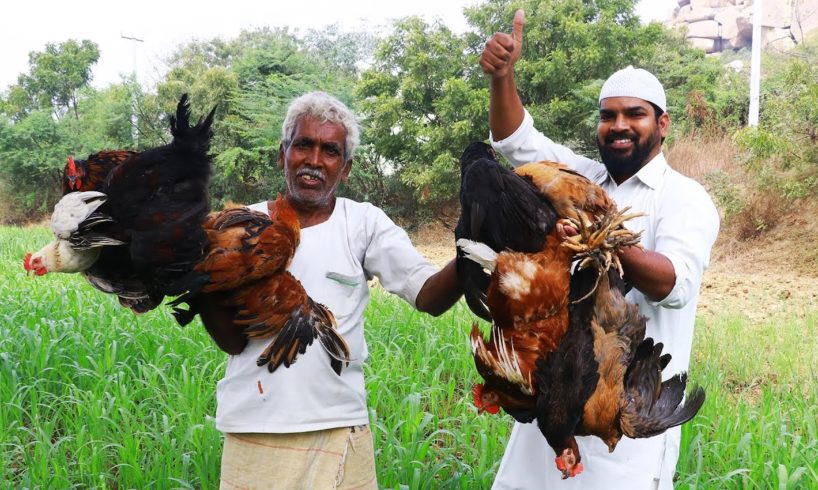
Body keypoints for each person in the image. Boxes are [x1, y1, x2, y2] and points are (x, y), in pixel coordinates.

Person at [479, 10, 720, 490]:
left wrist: (600, 240)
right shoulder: (582, 178)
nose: (619, 125)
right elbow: (514, 140)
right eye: (608, 115)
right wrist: (503, 77)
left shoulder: (684, 197)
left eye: (635, 114)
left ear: (663, 123)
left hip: (623, 418)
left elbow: (673, 283)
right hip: (551, 402)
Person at [198, 91, 463, 490]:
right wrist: (201, 282)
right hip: (255, 425)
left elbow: (428, 296)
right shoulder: (240, 226)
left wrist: (471, 252)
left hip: (339, 428)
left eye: (330, 150)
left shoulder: (362, 223)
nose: (315, 160)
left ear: (347, 167)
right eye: (303, 145)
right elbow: (233, 342)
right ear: (282, 153)